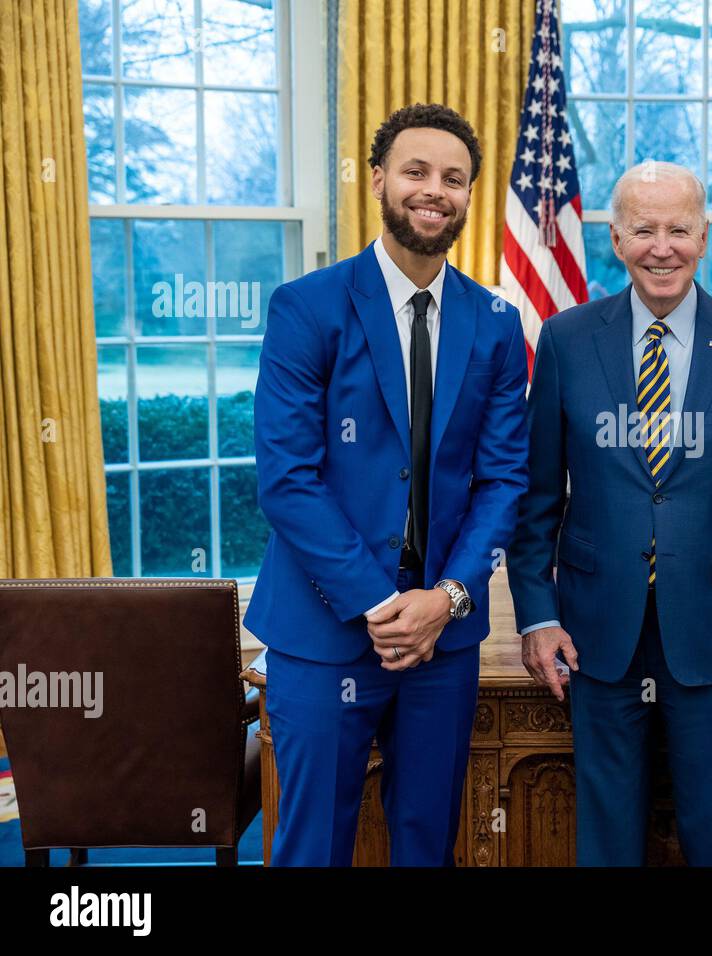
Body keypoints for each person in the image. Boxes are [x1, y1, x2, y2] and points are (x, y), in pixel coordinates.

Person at [244, 102, 528, 866]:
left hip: (445, 636)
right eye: (416, 171)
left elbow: (504, 479)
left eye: (454, 178)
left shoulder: (497, 322)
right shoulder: (307, 307)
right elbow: (288, 480)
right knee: (312, 849)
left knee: (427, 842)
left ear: (470, 195)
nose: (434, 190)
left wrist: (447, 601)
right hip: (323, 632)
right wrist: (381, 606)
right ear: (378, 180)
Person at [507, 162, 712, 865]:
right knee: (605, 838)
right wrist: (538, 616)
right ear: (616, 238)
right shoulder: (567, 338)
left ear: (704, 238)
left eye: (678, 229)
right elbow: (536, 498)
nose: (660, 246)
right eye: (644, 229)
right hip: (594, 631)